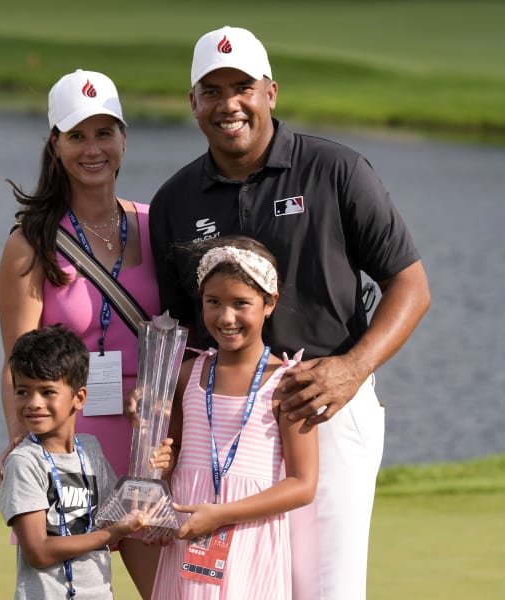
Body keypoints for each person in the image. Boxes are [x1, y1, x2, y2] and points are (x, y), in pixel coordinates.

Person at [147, 26, 431, 599]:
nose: (229, 104)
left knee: (327, 590)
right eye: (212, 90)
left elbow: (410, 285)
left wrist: (352, 369)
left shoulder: (336, 170)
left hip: (324, 403)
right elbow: (179, 332)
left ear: (270, 92)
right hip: (221, 423)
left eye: (242, 87)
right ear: (194, 103)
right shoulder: (175, 200)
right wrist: (160, 415)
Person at [0, 69, 161, 595]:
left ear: (124, 137)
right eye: (77, 135)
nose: (93, 148)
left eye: (104, 132)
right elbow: (16, 363)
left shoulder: (158, 225)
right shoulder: (32, 243)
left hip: (148, 446)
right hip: (69, 451)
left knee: (172, 593)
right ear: (55, 143)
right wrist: (24, 446)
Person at [151, 236, 318, 599]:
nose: (226, 317)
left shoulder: (288, 383)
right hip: (189, 536)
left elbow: (303, 484)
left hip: (248, 542)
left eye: (241, 303)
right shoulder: (187, 375)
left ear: (269, 303)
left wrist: (223, 514)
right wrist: (162, 465)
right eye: (213, 302)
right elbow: (173, 454)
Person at [0, 325, 173, 600]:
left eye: (47, 392)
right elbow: (38, 552)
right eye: (23, 392)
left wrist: (154, 465)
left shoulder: (89, 449)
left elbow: (119, 513)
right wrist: (112, 534)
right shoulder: (24, 462)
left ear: (79, 398)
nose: (33, 403)